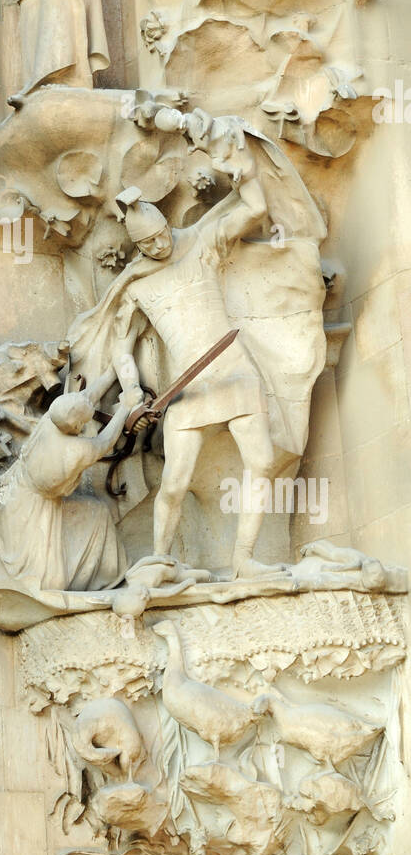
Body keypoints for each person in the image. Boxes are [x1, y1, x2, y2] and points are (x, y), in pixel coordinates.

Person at [69, 172, 278, 582]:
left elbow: (254, 208)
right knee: (174, 482)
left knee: (263, 462)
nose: (158, 245)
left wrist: (245, 170)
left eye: (160, 235)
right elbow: (120, 347)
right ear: (138, 246)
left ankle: (244, 559)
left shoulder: (202, 243)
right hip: (187, 387)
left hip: (234, 369)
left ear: (167, 225)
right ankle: (162, 559)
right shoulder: (136, 283)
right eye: (147, 243)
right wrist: (131, 391)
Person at [0, 389, 135, 593]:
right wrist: (126, 407)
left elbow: (85, 399)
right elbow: (104, 442)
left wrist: (111, 371)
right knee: (98, 515)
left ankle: (109, 574)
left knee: (96, 512)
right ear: (76, 426)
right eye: (82, 425)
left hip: (15, 496)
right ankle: (110, 577)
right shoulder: (76, 450)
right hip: (35, 514)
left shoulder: (51, 418)